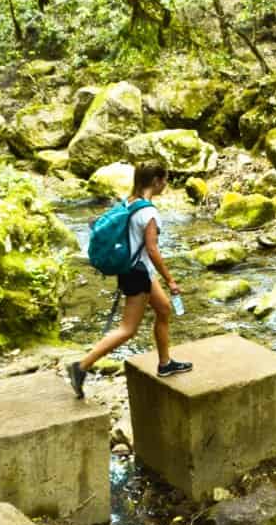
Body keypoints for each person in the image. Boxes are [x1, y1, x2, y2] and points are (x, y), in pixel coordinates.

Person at [67, 162, 192, 397]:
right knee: (127, 330)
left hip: (136, 270)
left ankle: (165, 363)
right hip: (138, 274)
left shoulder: (130, 202)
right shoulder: (149, 213)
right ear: (155, 181)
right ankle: (81, 366)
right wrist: (171, 280)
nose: (166, 184)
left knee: (164, 309)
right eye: (165, 179)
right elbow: (153, 250)